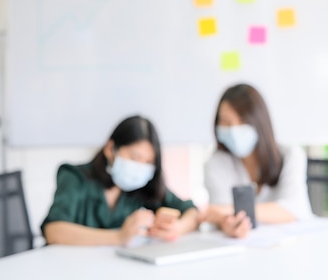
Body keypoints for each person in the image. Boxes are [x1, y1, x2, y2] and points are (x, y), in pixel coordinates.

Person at [41, 115, 200, 245]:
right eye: (134, 158)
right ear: (110, 149)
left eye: (148, 162)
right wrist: (118, 237)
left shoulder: (144, 187)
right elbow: (54, 230)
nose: (140, 168)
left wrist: (177, 228)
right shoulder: (75, 177)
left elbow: (191, 211)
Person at [202, 83, 313, 238]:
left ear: (258, 122)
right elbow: (219, 213)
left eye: (242, 121)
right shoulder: (215, 163)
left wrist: (230, 209)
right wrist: (228, 222)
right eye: (226, 122)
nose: (233, 130)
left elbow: (293, 209)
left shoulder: (291, 155)